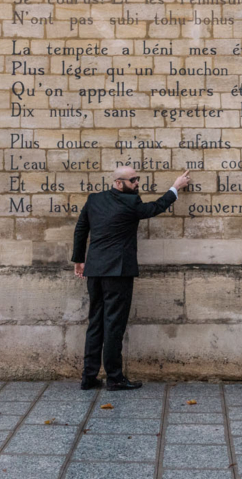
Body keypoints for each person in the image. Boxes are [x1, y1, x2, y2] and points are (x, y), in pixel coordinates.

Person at [72, 166, 191, 391]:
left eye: (137, 178)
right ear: (118, 183)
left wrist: (79, 260)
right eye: (133, 180)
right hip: (118, 272)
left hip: (95, 270)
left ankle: (88, 377)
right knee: (113, 325)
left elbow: (81, 229)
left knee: (96, 323)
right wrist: (175, 187)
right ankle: (115, 378)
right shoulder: (130, 203)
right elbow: (154, 208)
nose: (137, 183)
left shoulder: (94, 200)